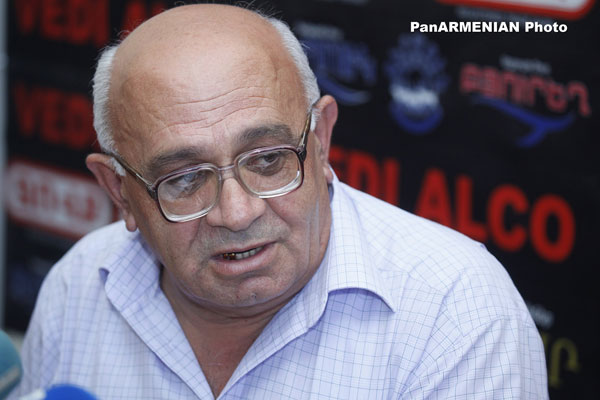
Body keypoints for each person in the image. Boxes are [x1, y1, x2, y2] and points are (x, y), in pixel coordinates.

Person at [12, 4, 548, 399]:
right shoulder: (78, 286)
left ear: (322, 141)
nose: (236, 213)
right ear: (120, 193)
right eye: (185, 179)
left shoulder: (453, 312)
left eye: (268, 160)